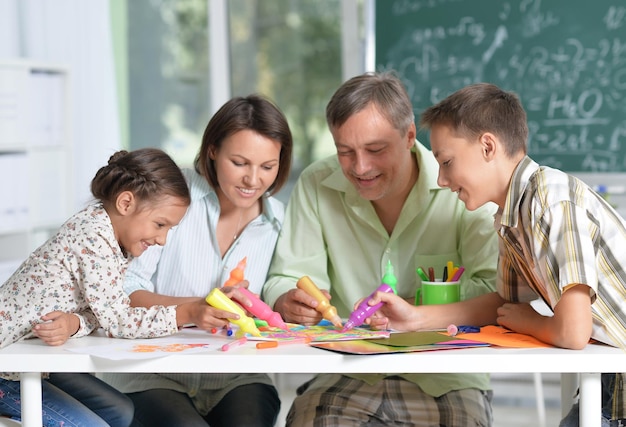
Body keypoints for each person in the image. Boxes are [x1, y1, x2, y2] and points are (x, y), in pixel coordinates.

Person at [369, 82, 626, 426]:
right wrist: (415, 317)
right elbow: (501, 307)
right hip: (611, 374)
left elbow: (572, 332)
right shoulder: (510, 218)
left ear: (488, 146)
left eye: (447, 162)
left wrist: (530, 321)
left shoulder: (551, 200)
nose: (442, 180)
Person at [262, 71, 500, 426]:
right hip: (345, 371)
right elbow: (286, 276)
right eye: (345, 152)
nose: (360, 167)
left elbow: (494, 291)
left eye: (375, 150)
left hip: (445, 375)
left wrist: (418, 303)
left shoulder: (463, 184)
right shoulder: (316, 183)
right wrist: (287, 300)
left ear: (408, 136)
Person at [100, 94, 293, 427]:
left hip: (237, 376)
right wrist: (197, 307)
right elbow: (125, 290)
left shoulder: (279, 222)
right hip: (153, 373)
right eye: (240, 163)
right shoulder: (173, 197)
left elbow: (279, 290)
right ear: (213, 151)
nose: (253, 180)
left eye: (267, 166)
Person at [0, 147, 217, 426]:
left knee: (121, 411)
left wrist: (73, 323)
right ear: (126, 203)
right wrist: (185, 313)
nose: (162, 239)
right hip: (7, 368)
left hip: (31, 362)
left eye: (168, 229)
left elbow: (102, 314)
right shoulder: (92, 236)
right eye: (159, 224)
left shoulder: (114, 241)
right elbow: (118, 321)